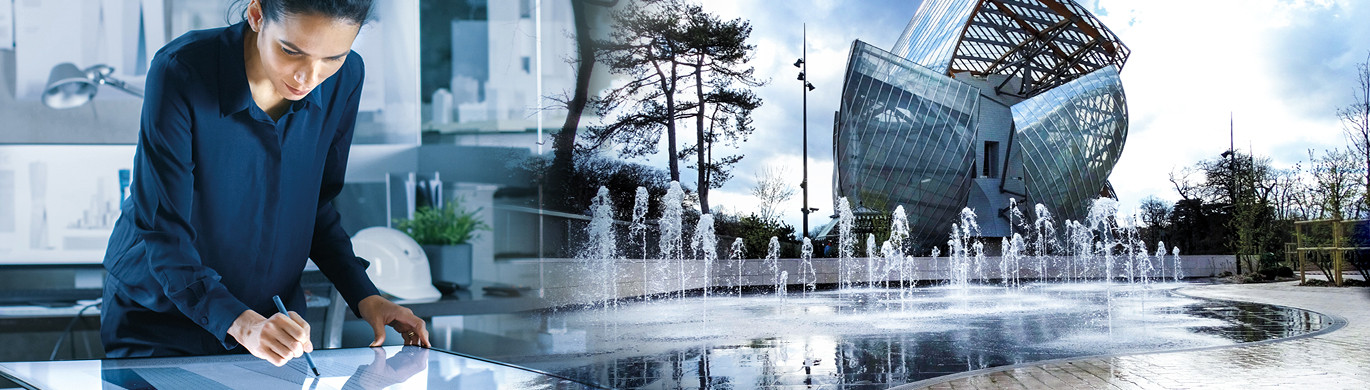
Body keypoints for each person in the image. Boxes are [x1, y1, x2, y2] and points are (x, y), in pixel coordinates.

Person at [101, 0, 430, 366]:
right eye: (291, 51)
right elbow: (164, 230)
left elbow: (314, 207)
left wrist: (367, 297)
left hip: (272, 324)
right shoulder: (182, 70)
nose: (308, 77)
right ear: (257, 15)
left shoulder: (346, 77)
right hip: (161, 319)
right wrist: (242, 324)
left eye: (332, 57)